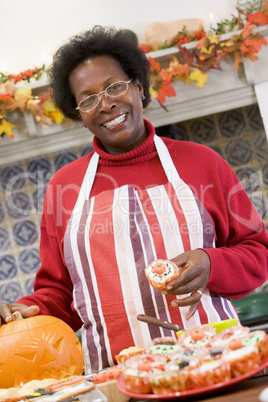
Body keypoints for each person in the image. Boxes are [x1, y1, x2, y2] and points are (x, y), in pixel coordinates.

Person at [0, 26, 267, 374]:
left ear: (139, 87)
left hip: (214, 364)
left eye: (114, 86)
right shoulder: (64, 186)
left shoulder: (201, 162)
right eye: (88, 98)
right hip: (118, 379)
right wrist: (20, 312)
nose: (106, 103)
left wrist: (211, 263)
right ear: (79, 114)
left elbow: (257, 252)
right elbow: (60, 294)